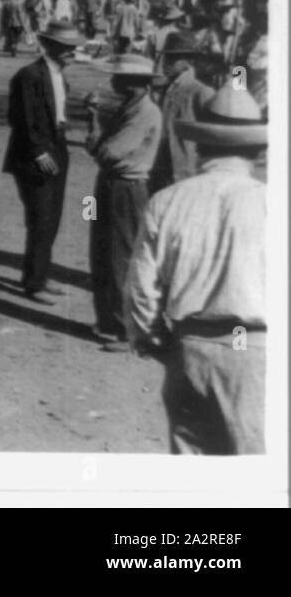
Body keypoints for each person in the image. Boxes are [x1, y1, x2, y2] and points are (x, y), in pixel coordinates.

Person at [124, 83, 266, 454]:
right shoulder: (272, 204)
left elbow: (141, 284)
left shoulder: (168, 200)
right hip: (253, 350)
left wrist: (152, 339)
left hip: (189, 347)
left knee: (192, 471)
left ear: (200, 146)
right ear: (257, 150)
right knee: (251, 470)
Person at [2, 19, 85, 304]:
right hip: (34, 155)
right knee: (40, 217)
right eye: (66, 48)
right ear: (49, 46)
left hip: (57, 146)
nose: (72, 53)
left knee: (52, 218)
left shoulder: (60, 75)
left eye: (73, 48)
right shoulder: (30, 75)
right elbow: (21, 118)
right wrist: (39, 152)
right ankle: (34, 283)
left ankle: (39, 275)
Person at [83, 54, 163, 346]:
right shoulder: (128, 109)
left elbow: (108, 152)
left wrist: (98, 137)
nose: (113, 81)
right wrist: (93, 117)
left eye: (118, 77)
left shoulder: (145, 113)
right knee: (103, 254)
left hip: (127, 188)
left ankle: (124, 328)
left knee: (120, 258)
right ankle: (109, 320)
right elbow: (96, 148)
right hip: (112, 184)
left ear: (132, 83)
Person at [149, 32, 215, 194]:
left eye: (174, 59)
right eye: (167, 58)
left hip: (185, 170)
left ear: (188, 61)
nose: (167, 64)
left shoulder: (200, 91)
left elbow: (213, 135)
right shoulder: (164, 89)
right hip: (159, 166)